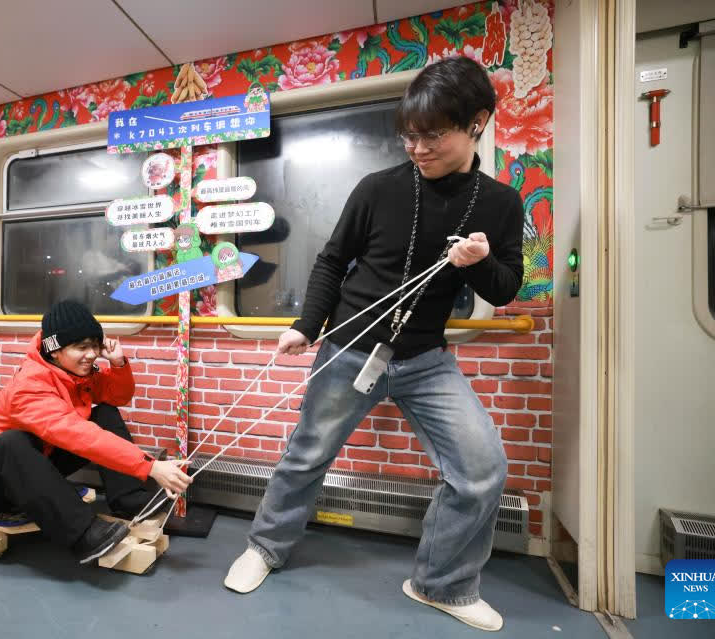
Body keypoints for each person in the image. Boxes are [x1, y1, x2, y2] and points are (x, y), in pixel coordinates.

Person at [223, 56, 524, 632]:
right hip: (350, 346)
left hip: (426, 360)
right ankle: (264, 547)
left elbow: (506, 288)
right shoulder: (378, 188)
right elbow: (332, 260)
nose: (417, 148)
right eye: (409, 136)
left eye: (433, 135)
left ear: (478, 123)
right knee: (307, 455)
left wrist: (480, 262)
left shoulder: (500, 204)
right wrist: (305, 326)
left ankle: (441, 584)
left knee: (482, 468)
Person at [0, 299, 192, 564]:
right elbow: (77, 434)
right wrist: (150, 466)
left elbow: (117, 396)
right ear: (55, 350)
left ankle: (130, 500)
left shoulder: (76, 374)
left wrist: (118, 363)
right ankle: (84, 534)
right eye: (82, 347)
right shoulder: (30, 384)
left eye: (95, 345)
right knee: (10, 441)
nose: (92, 354)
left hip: (37, 466)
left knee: (105, 413)